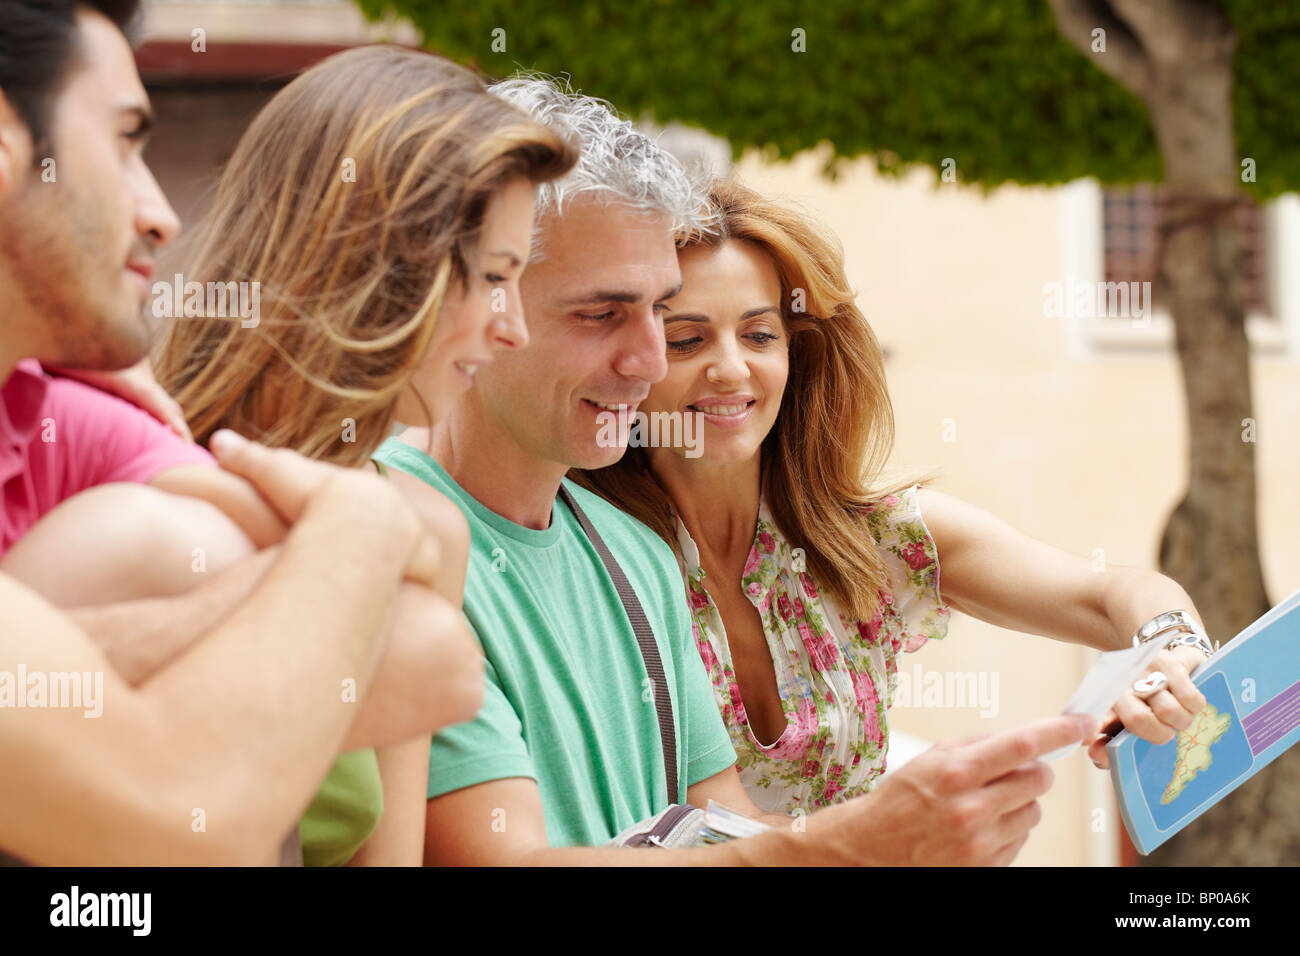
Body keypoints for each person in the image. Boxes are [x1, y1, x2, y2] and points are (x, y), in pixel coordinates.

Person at [374, 74, 1097, 865]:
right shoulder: (384, 536)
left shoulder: (635, 557)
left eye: (658, 313)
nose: (650, 361)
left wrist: (910, 840)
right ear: (473, 299)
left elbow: (718, 823)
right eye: (602, 313)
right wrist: (856, 843)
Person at [570, 178, 1213, 815]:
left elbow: (1108, 595)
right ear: (634, 359)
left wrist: (1175, 649)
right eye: (687, 339)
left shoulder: (871, 536)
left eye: (760, 335)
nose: (732, 369)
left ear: (798, 353)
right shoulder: (580, 556)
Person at [0, 1, 474, 864]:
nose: (160, 214)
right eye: (124, 141)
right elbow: (183, 812)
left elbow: (432, 655)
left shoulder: (65, 411)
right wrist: (350, 534)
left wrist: (77, 661)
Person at [150, 44, 578, 864]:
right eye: (494, 275)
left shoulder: (424, 533)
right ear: (378, 267)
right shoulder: (151, 500)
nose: (514, 327)